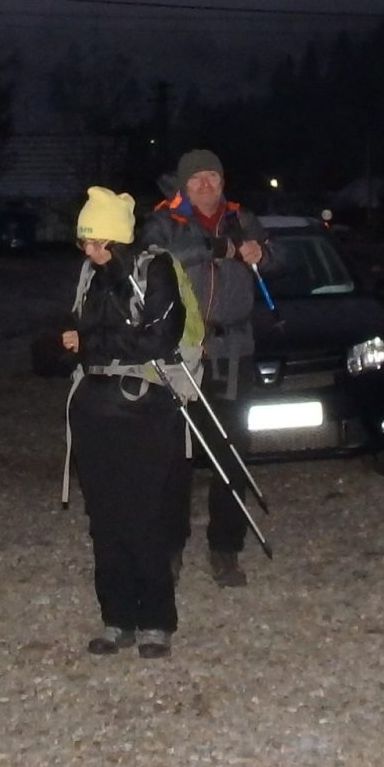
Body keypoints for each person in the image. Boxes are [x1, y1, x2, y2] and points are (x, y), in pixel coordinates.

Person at [36, 187, 188, 656]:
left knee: (144, 514)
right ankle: (116, 617)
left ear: (119, 239)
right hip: (93, 408)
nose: (89, 250)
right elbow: (67, 332)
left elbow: (160, 337)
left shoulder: (154, 270)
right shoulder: (88, 275)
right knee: (103, 517)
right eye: (84, 241)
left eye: (97, 241)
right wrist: (58, 347)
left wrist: (92, 343)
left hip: (144, 409)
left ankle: (156, 620)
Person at [142, 148, 275, 587]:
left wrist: (260, 253)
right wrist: (213, 247)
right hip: (180, 355)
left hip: (233, 353)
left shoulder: (241, 218)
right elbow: (155, 257)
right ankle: (169, 547)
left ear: (223, 181)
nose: (205, 185)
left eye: (212, 177)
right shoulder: (165, 219)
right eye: (196, 178)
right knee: (173, 457)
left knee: (231, 454)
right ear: (184, 184)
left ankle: (226, 548)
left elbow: (278, 258)